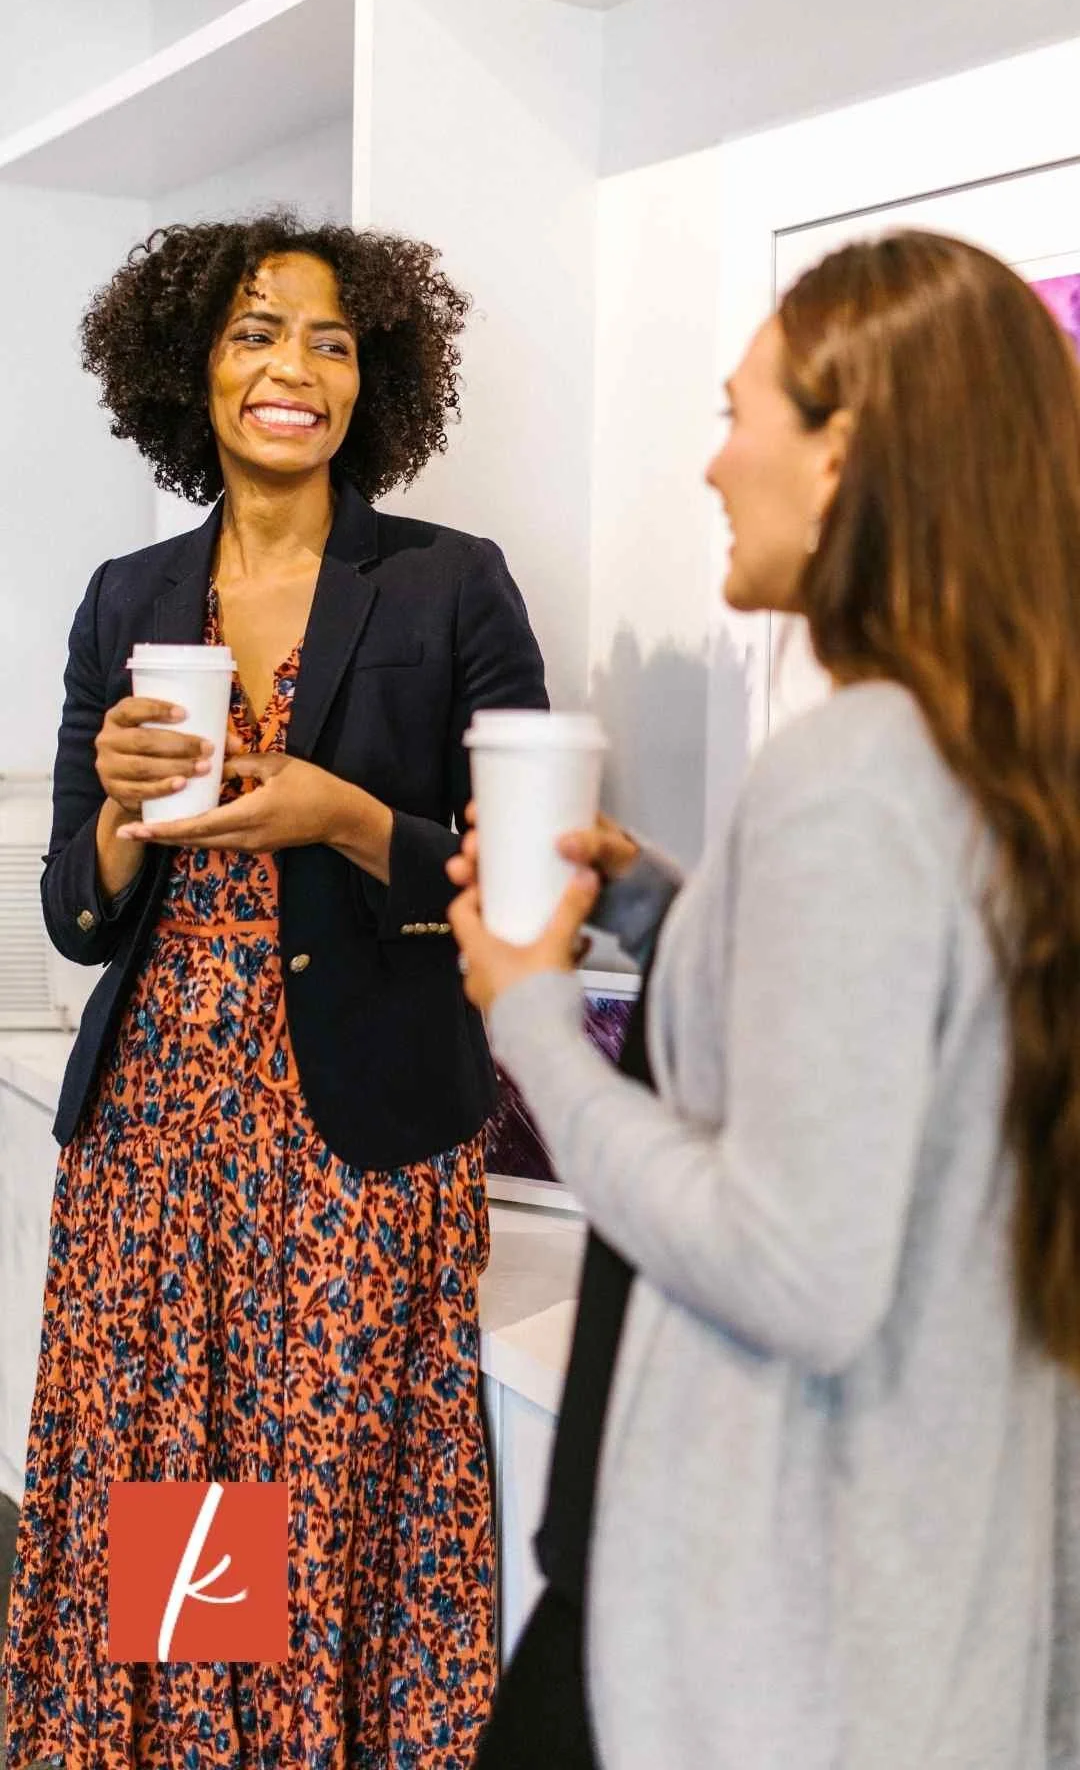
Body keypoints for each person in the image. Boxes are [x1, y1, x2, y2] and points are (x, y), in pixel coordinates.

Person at [447, 230, 1080, 1768]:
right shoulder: (994, 761)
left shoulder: (847, 773)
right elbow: (895, 1043)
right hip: (909, 1605)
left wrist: (530, 1011)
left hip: (773, 1632)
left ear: (844, 447)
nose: (717, 468)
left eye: (741, 416)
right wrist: (681, 911)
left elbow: (799, 1265)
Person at [0, 212, 548, 1770]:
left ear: (374, 379)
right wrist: (112, 816)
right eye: (254, 332)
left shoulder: (450, 586)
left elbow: (523, 878)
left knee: (327, 1505)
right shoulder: (126, 601)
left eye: (328, 338)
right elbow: (77, 915)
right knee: (185, 1497)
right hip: (159, 1137)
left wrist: (349, 818)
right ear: (196, 368)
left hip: (359, 1131)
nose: (291, 367)